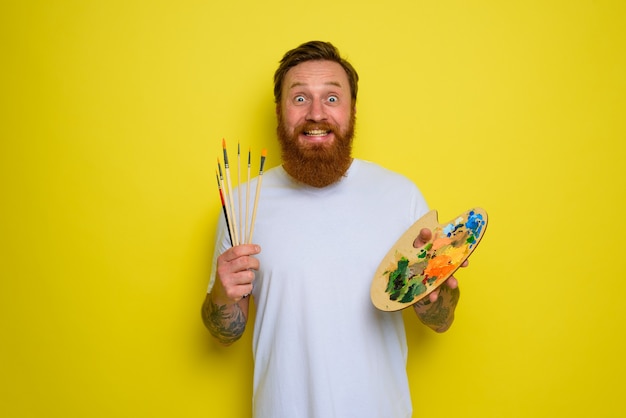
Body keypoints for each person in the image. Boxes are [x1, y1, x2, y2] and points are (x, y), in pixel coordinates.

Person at [202, 40, 464, 418]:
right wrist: (222, 297)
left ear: (351, 110)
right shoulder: (243, 207)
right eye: (299, 99)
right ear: (280, 111)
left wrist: (432, 299)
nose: (315, 114)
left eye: (331, 98)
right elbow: (224, 333)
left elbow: (442, 321)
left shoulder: (400, 195)